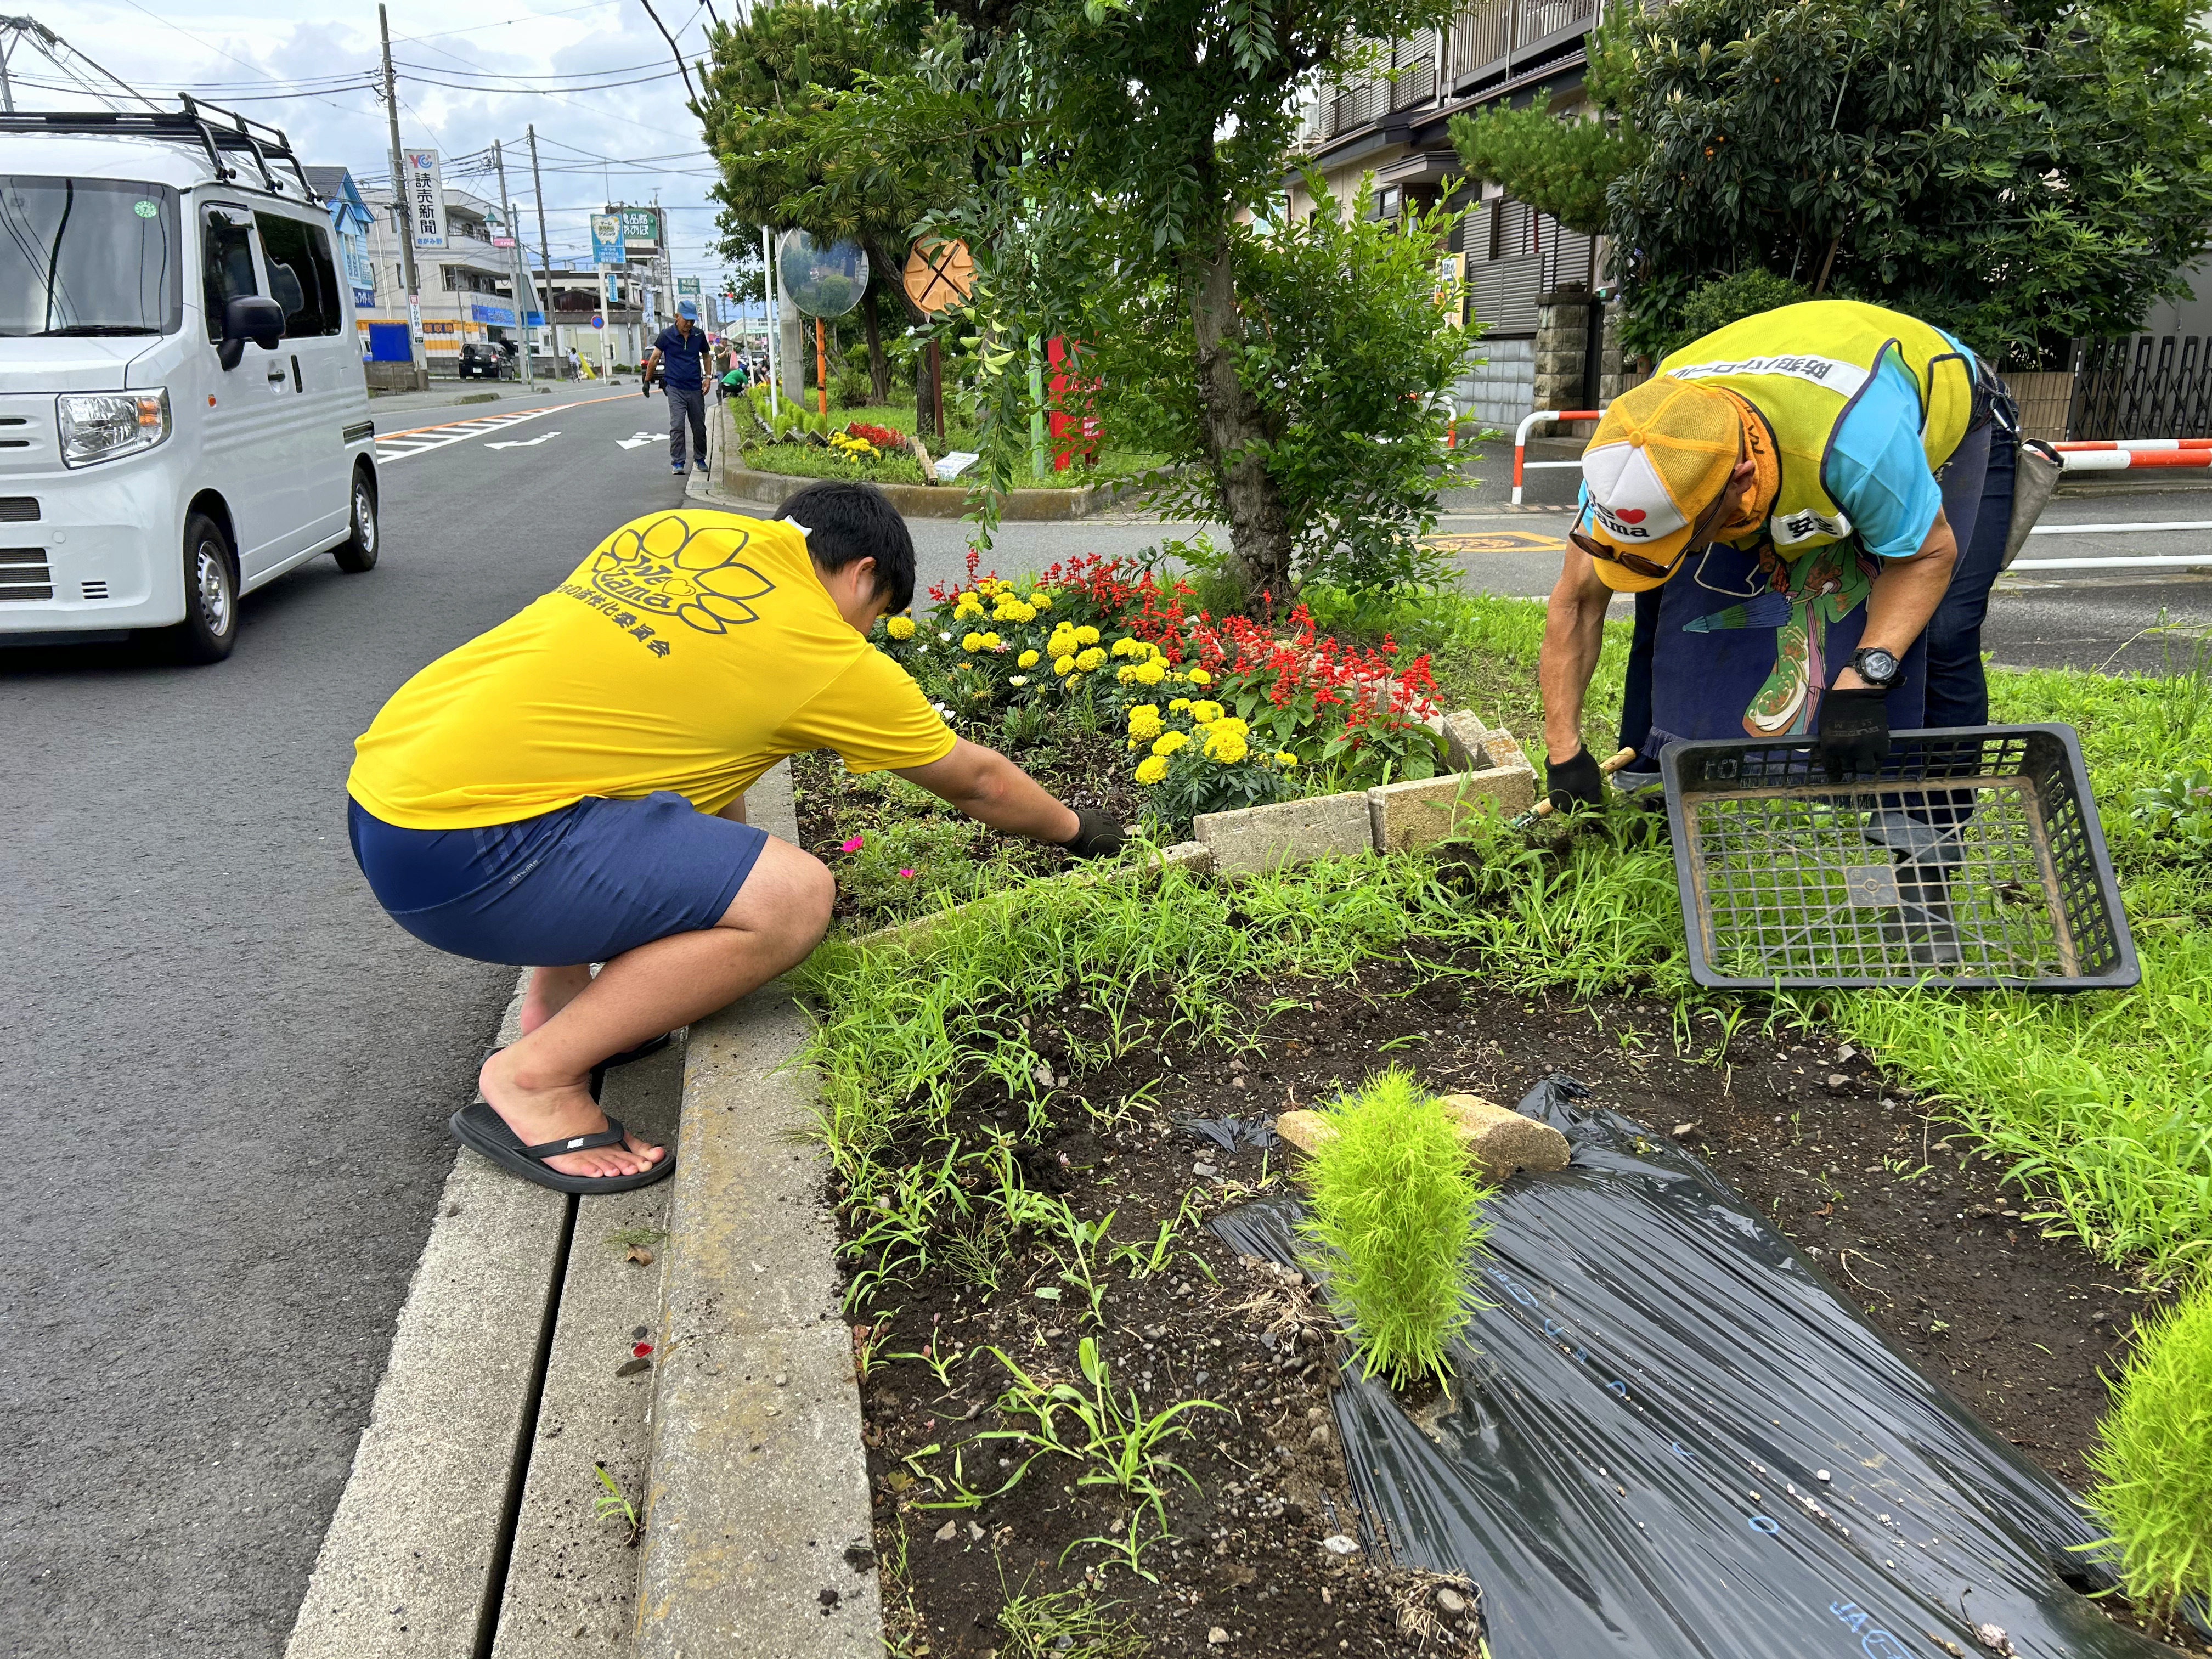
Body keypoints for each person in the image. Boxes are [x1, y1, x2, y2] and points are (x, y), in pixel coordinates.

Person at [345, 483, 1124, 1195]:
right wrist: (1080, 830)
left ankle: (559, 999)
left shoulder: (670, 531)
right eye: (877, 614)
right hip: (465, 857)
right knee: (795, 899)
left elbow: (666, 749)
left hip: (388, 794)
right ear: (861, 574)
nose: (869, 634)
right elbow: (978, 782)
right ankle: (532, 1079)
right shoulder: (822, 650)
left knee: (607, 756)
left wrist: (723, 880)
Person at [1539, 298, 2017, 807]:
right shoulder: (1635, 452)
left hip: (1946, 412)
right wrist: (1562, 751)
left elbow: (1924, 557)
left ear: (1740, 484)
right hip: (1776, 429)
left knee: (1945, 631)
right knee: (1663, 606)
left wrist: (1862, 678)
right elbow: (1577, 601)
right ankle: (1654, 790)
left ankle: (1930, 831)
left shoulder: (1859, 447)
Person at [644, 299, 711, 477]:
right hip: (675, 387)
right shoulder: (666, 335)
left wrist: (708, 378)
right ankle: (678, 462)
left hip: (695, 387)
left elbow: (706, 356)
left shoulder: (699, 335)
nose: (689, 324)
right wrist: (647, 381)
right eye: (686, 320)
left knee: (699, 426)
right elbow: (655, 358)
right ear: (677, 316)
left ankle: (700, 459)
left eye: (692, 321)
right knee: (677, 425)